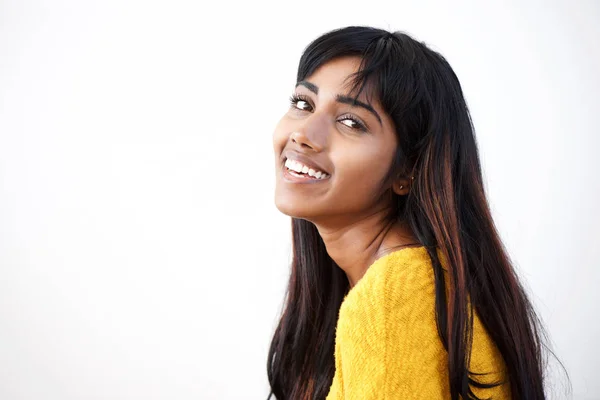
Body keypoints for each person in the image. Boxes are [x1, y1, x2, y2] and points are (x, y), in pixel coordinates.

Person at [267, 26, 564, 399]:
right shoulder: (419, 280)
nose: (304, 133)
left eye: (351, 122)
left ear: (407, 170)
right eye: (303, 104)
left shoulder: (392, 296)